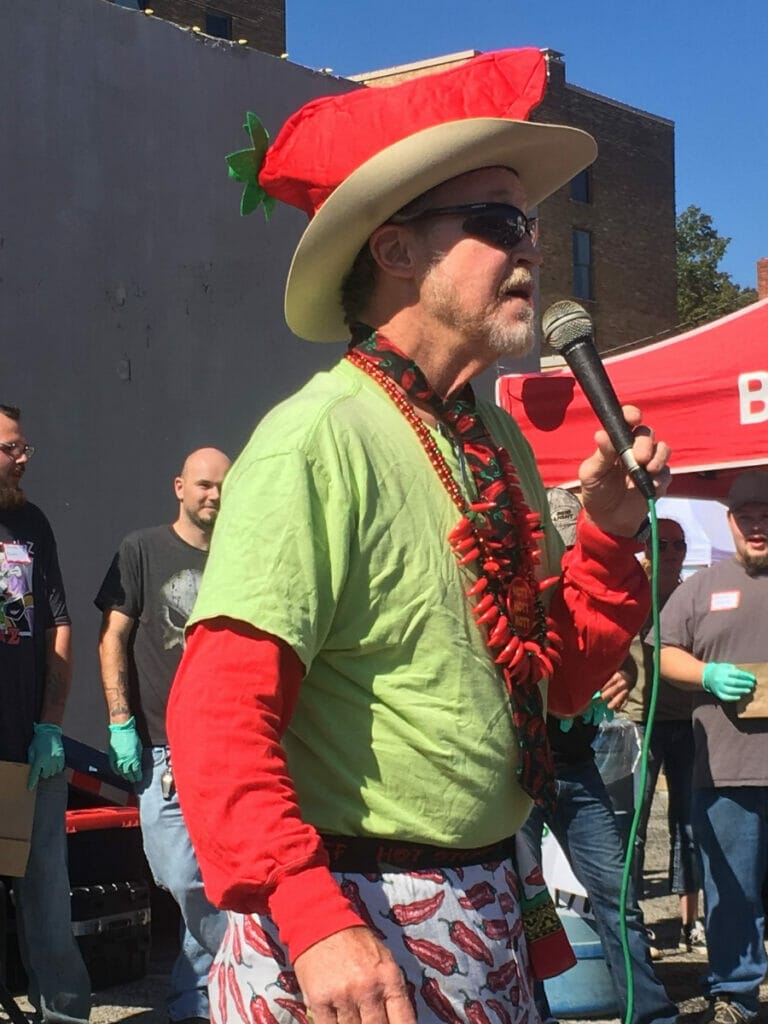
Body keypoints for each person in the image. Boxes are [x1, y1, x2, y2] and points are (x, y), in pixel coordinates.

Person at [166, 48, 671, 1024]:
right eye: (495, 222)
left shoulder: (494, 447)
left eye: (528, 222)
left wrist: (609, 536)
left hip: (487, 906)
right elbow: (217, 713)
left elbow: (552, 685)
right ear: (395, 252)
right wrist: (314, 919)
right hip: (353, 927)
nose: (529, 247)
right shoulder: (319, 436)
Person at [522, 488, 678, 1024]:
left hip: (577, 766)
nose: (568, 558)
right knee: (528, 905)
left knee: (617, 899)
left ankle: (651, 1014)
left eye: (574, 546)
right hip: (518, 773)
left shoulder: (596, 590)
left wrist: (626, 670)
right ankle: (535, 1013)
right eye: (560, 547)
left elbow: (631, 659)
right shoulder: (520, 595)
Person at [94, 448, 230, 1024]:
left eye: (223, 487)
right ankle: (236, 969)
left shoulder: (240, 553)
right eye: (203, 486)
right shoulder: (142, 549)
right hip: (162, 749)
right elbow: (112, 637)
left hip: (226, 744)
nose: (214, 497)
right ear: (179, 486)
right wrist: (121, 721)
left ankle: (195, 999)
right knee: (179, 874)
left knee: (225, 875)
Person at [656, 470, 768, 1024]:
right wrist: (707, 674)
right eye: (746, 517)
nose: (757, 526)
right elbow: (660, 651)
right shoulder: (702, 587)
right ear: (730, 523)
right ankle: (737, 994)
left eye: (766, 516)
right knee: (732, 892)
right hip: (726, 768)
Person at [0, 403, 91, 1024]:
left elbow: (58, 623)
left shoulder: (30, 525)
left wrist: (50, 725)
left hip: (27, 755)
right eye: (11, 447)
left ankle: (63, 1016)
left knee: (45, 901)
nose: (24, 455)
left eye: (24, 445)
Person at [624, 519, 705, 957]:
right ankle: (635, 923)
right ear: (646, 549)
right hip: (639, 721)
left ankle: (691, 921)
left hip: (687, 721)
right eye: (663, 543)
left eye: (679, 543)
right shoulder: (631, 593)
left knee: (689, 824)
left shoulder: (693, 595)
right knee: (634, 825)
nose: (672, 551)